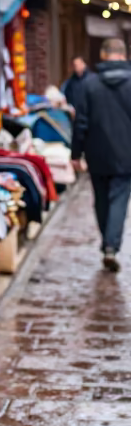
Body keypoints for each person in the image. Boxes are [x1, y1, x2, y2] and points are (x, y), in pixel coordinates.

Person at [72, 37, 131, 272]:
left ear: (104, 56)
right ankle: (110, 246)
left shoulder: (90, 85)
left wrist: (76, 153)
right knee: (119, 199)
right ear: (124, 55)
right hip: (127, 154)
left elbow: (81, 123)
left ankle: (107, 241)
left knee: (101, 200)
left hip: (97, 153)